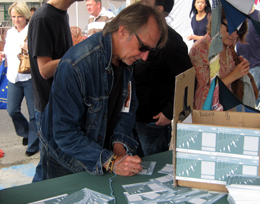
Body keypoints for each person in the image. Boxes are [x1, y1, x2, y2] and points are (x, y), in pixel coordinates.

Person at [38, 2, 168, 180]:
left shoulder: (126, 59)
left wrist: (119, 148)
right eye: (143, 47)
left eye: (149, 51)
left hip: (100, 155)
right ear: (123, 31)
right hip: (64, 161)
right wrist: (112, 161)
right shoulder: (76, 64)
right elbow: (65, 132)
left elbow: (127, 107)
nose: (144, 56)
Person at [28, 0, 83, 182]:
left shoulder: (62, 14)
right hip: (49, 105)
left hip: (62, 102)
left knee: (48, 164)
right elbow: (44, 69)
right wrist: (80, 55)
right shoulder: (43, 18)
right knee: (53, 169)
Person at [132, 0, 192, 157]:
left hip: (154, 122)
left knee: (153, 170)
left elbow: (188, 81)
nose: (141, 3)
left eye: (147, 2)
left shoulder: (172, 42)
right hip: (132, 118)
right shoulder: (138, 32)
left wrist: (169, 111)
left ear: (159, 9)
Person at [189, 8, 249, 110]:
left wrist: (240, 66)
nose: (235, 35)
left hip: (227, 112)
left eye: (239, 31)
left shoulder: (228, 45)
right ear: (216, 23)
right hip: (207, 118)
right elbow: (201, 97)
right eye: (230, 28)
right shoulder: (200, 50)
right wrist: (233, 75)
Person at [0, 1, 39, 157]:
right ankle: (26, 133)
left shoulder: (33, 30)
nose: (16, 20)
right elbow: (8, 51)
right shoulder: (10, 32)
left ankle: (33, 144)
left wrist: (28, 48)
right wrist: (2, 54)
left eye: (19, 16)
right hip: (13, 77)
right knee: (12, 110)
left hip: (29, 77)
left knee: (33, 113)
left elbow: (40, 50)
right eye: (14, 16)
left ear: (26, 16)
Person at [236, 7, 260, 108]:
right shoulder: (237, 15)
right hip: (241, 63)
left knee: (253, 96)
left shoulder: (258, 16)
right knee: (246, 95)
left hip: (255, 63)